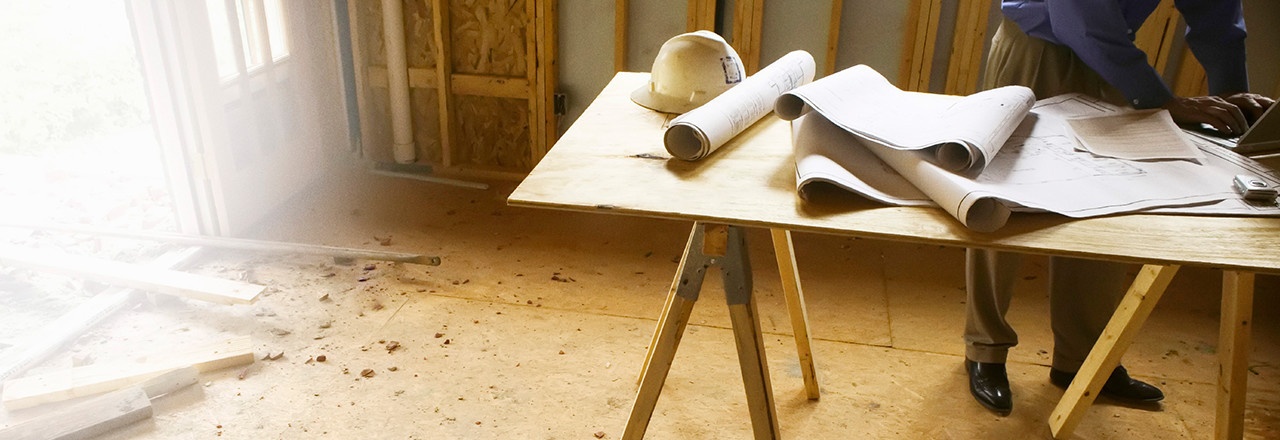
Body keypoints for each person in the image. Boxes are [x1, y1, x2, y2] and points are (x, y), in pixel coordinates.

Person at [964, 0, 1276, 416]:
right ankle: (985, 350)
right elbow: (1080, 22)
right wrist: (1161, 99)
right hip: (1038, 47)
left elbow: (1217, 17)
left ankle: (1082, 362)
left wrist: (1232, 100)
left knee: (1106, 204)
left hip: (1115, 52)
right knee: (1004, 200)